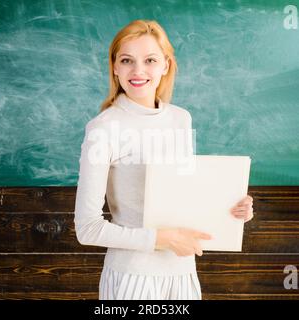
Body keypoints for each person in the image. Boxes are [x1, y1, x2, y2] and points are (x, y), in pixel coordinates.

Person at [73, 19, 254, 300]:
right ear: (114, 67)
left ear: (166, 65)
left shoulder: (180, 118)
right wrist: (160, 239)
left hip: (182, 274)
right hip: (132, 278)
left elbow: (183, 199)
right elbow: (87, 228)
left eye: (150, 60)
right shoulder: (103, 128)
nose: (138, 71)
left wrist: (232, 209)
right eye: (127, 60)